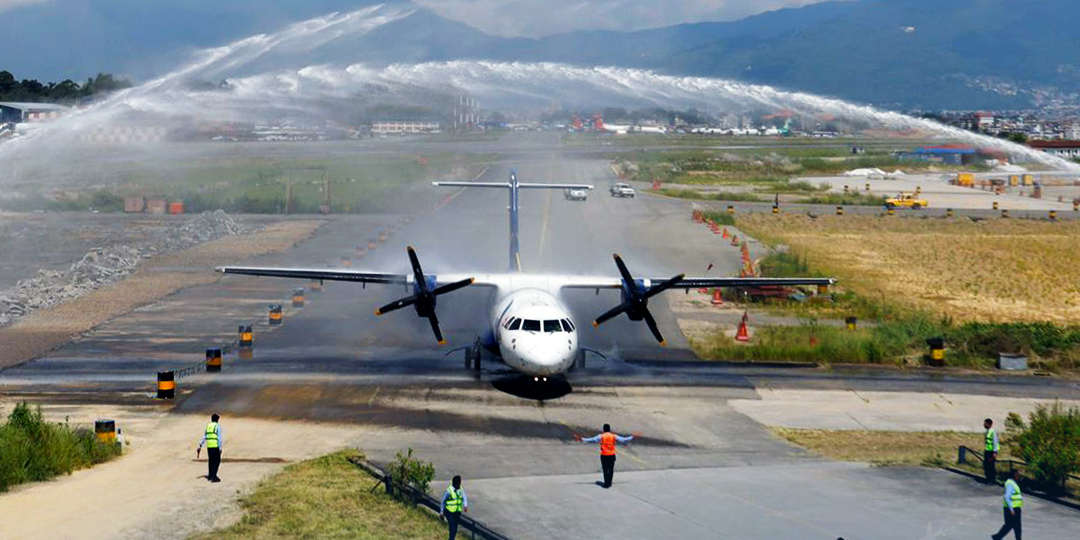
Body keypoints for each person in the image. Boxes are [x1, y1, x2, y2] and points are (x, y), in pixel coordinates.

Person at [578, 424, 634, 488]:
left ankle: (606, 483)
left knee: (605, 469)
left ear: (604, 429)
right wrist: (632, 437)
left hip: (604, 455)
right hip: (611, 455)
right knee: (611, 469)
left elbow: (592, 440)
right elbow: (623, 439)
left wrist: (582, 439)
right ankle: (609, 482)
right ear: (609, 429)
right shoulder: (613, 436)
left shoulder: (601, 436)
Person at [992, 469, 1023, 540]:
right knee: (1012, 525)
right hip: (1012, 508)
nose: (1018, 476)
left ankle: (997, 537)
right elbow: (1007, 497)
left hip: (1015, 507)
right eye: (1017, 475)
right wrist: (1011, 509)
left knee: (1014, 526)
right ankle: (997, 537)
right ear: (1014, 475)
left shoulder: (1012, 483)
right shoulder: (1010, 484)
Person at [196, 413, 223, 483]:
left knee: (211, 461)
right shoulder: (217, 426)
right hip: (215, 445)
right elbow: (219, 438)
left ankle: (210, 475)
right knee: (217, 461)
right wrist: (220, 448)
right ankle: (214, 476)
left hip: (209, 446)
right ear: (217, 419)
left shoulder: (208, 426)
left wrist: (200, 445)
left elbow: (204, 436)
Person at [439, 475, 468, 540]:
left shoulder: (460, 489)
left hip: (457, 512)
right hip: (449, 511)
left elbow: (464, 497)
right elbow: (443, 501)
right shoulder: (449, 491)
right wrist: (441, 512)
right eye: (459, 482)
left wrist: (465, 505)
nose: (460, 484)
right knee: (452, 525)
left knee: (455, 527)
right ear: (456, 483)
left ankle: (452, 538)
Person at [984, 418, 999, 484]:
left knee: (991, 466)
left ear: (989, 424)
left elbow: (995, 442)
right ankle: (988, 478)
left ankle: (992, 479)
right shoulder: (987, 431)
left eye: (985, 423)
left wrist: (995, 452)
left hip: (991, 451)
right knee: (986, 465)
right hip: (987, 450)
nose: (984, 425)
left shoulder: (993, 432)